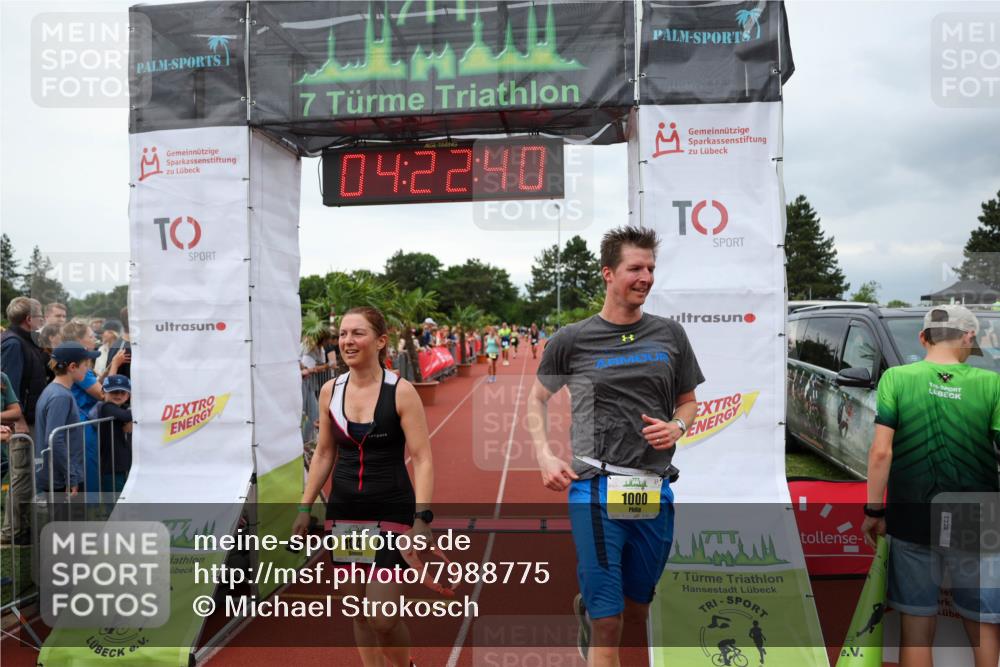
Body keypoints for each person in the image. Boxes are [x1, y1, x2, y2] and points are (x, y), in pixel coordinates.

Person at [526, 226, 703, 666]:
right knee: (611, 624)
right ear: (608, 273)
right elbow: (537, 400)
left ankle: (588, 606)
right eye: (634, 268)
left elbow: (689, 403)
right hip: (596, 488)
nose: (645, 277)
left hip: (652, 487)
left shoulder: (670, 336)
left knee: (637, 611)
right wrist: (545, 455)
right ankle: (596, 615)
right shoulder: (572, 339)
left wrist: (678, 428)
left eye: (650, 268)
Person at [291, 306, 433, 667]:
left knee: (382, 617)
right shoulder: (329, 392)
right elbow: (324, 453)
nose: (347, 341)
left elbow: (423, 458)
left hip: (390, 512)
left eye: (357, 333)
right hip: (345, 515)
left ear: (381, 341)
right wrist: (306, 508)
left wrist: (422, 518)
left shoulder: (401, 392)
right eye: (342, 334)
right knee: (358, 611)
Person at [862, 304, 1000, 667]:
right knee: (983, 621)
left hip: (911, 514)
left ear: (923, 337)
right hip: (976, 515)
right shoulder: (993, 384)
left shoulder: (897, 378)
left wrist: (874, 510)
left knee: (916, 622)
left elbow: (880, 453)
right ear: (969, 338)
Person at [1, 297, 47, 544]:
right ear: (29, 319)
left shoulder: (26, 342)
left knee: (28, 476)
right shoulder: (13, 344)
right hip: (20, 424)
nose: (43, 321)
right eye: (40, 316)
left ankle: (23, 528)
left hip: (29, 419)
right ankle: (12, 532)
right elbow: (9, 383)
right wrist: (16, 420)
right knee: (21, 477)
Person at [35, 342, 99, 496]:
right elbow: (54, 440)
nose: (88, 369)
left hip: (61, 476)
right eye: (85, 364)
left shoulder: (55, 390)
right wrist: (71, 477)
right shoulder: (60, 396)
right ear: (72, 367)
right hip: (62, 480)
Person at [92, 375, 132, 494]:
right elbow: (126, 416)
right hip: (111, 466)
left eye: (122, 392)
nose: (118, 395)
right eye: (114, 391)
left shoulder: (122, 408)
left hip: (122, 463)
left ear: (128, 395)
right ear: (104, 392)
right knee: (115, 499)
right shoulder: (106, 407)